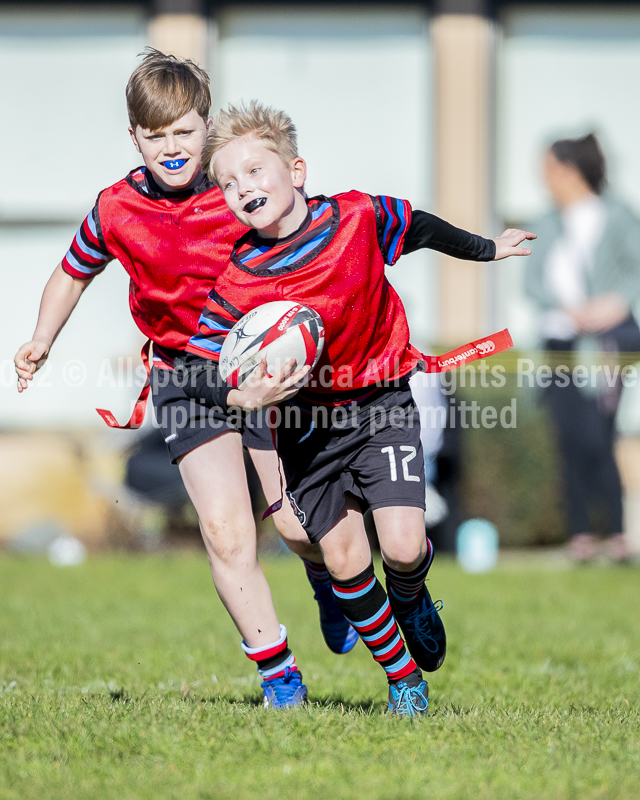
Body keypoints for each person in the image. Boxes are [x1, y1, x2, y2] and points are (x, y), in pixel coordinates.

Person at [13, 51, 357, 710]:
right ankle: (279, 676)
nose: (171, 148)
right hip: (184, 379)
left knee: (293, 526)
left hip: (266, 374)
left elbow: (315, 248)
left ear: (208, 126)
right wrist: (41, 340)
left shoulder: (238, 193)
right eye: (155, 135)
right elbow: (73, 270)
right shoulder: (116, 208)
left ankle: (326, 580)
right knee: (227, 532)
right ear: (135, 137)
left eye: (184, 132)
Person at [183, 101, 535, 715]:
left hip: (380, 403)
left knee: (401, 547)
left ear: (296, 170)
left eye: (255, 171)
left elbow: (421, 226)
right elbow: (201, 367)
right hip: (304, 428)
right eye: (229, 183)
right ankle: (405, 683)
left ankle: (413, 593)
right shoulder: (237, 280)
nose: (244, 188)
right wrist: (244, 395)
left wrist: (489, 249)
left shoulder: (357, 217)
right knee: (345, 560)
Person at [525, 133, 640, 563]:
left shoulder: (618, 215)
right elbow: (532, 282)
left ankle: (615, 533)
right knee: (569, 437)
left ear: (569, 170)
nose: (543, 178)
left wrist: (613, 304)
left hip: (608, 340)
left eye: (548, 168)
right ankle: (580, 536)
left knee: (599, 434)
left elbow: (635, 268)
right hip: (560, 339)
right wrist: (566, 308)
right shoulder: (546, 221)